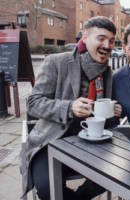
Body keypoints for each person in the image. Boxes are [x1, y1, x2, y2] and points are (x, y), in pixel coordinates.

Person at [20, 16, 122, 200]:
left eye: (112, 41)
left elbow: (100, 111)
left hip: (91, 143)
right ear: (85, 37)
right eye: (101, 38)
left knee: (117, 173)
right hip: (52, 142)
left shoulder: (106, 71)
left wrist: (113, 112)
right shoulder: (56, 62)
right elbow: (33, 103)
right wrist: (69, 107)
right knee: (47, 189)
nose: (107, 45)